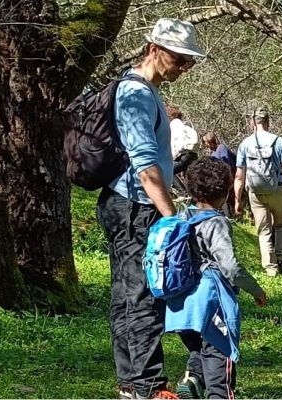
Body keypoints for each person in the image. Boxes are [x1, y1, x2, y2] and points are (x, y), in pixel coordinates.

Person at [95, 17, 203, 399]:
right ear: (155, 49)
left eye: (190, 61)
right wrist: (171, 216)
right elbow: (145, 166)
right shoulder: (137, 93)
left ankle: (131, 383)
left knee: (128, 295)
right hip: (134, 208)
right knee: (141, 297)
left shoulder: (147, 90)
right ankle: (148, 386)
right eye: (180, 58)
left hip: (130, 206)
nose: (184, 66)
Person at [167, 158, 268, 400]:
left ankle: (192, 378)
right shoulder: (216, 223)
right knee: (220, 361)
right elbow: (231, 267)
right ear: (224, 192)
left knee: (199, 346)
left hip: (182, 306)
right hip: (211, 303)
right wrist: (256, 290)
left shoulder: (181, 218)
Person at [233, 107, 282, 277]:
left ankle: (270, 268)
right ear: (268, 122)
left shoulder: (245, 144)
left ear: (252, 123)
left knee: (263, 230)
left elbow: (239, 176)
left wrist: (237, 200)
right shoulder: (279, 141)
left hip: (256, 192)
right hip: (278, 189)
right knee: (281, 225)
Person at [202, 132, 237, 216]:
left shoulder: (222, 148)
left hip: (230, 178)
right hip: (221, 181)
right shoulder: (213, 154)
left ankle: (231, 217)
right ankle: (229, 217)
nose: (205, 144)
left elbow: (226, 163)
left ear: (211, 140)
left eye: (206, 142)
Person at [169, 104, 199, 195]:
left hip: (183, 154)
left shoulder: (173, 125)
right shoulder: (184, 125)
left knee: (167, 171)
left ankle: (183, 193)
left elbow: (175, 142)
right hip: (193, 155)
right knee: (189, 179)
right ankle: (192, 198)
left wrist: (172, 157)